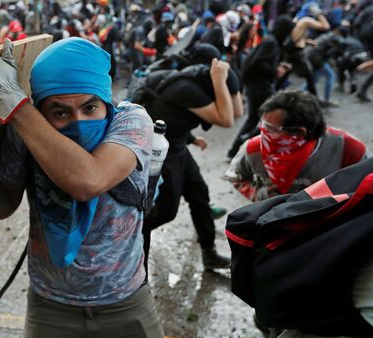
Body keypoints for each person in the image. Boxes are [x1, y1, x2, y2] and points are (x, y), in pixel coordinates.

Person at [0, 38, 165, 338]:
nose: (78, 121)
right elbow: (5, 206)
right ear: (43, 112)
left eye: (90, 107)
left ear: (107, 100)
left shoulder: (131, 121)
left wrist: (12, 102)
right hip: (50, 309)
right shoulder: (28, 133)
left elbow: (88, 181)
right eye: (60, 113)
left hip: (125, 302)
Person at [140, 43, 243, 274]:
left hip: (177, 144)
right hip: (159, 151)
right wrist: (219, 79)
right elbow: (226, 120)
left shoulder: (197, 83)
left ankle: (209, 254)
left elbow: (237, 112)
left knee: (199, 195)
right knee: (164, 211)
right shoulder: (187, 86)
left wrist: (191, 138)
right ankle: (133, 252)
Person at [225, 90, 369, 202]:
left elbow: (368, 185)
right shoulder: (254, 149)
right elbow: (234, 177)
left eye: (270, 128)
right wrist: (261, 195)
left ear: (299, 132)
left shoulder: (348, 148)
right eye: (261, 123)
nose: (261, 131)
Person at [227, 15, 295, 159]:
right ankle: (245, 146)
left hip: (256, 86)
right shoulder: (271, 43)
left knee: (254, 119)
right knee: (271, 118)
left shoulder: (271, 41)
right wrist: (275, 71)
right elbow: (259, 62)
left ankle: (235, 150)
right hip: (260, 87)